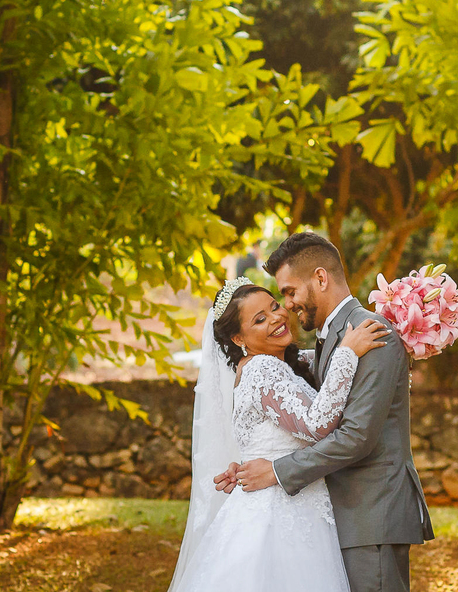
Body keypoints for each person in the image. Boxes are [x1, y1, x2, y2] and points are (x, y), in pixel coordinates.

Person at [220, 232, 435, 592]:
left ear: (320, 278)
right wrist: (252, 461)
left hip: (371, 514)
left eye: (287, 294)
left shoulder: (370, 333)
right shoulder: (326, 342)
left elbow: (355, 437)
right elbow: (296, 418)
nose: (286, 307)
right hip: (333, 516)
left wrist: (275, 470)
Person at [166, 279, 389, 592]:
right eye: (259, 319)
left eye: (274, 307)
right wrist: (347, 354)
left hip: (285, 502)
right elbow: (316, 424)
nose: (276, 317)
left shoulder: (275, 365)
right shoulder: (262, 369)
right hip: (278, 513)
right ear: (238, 337)